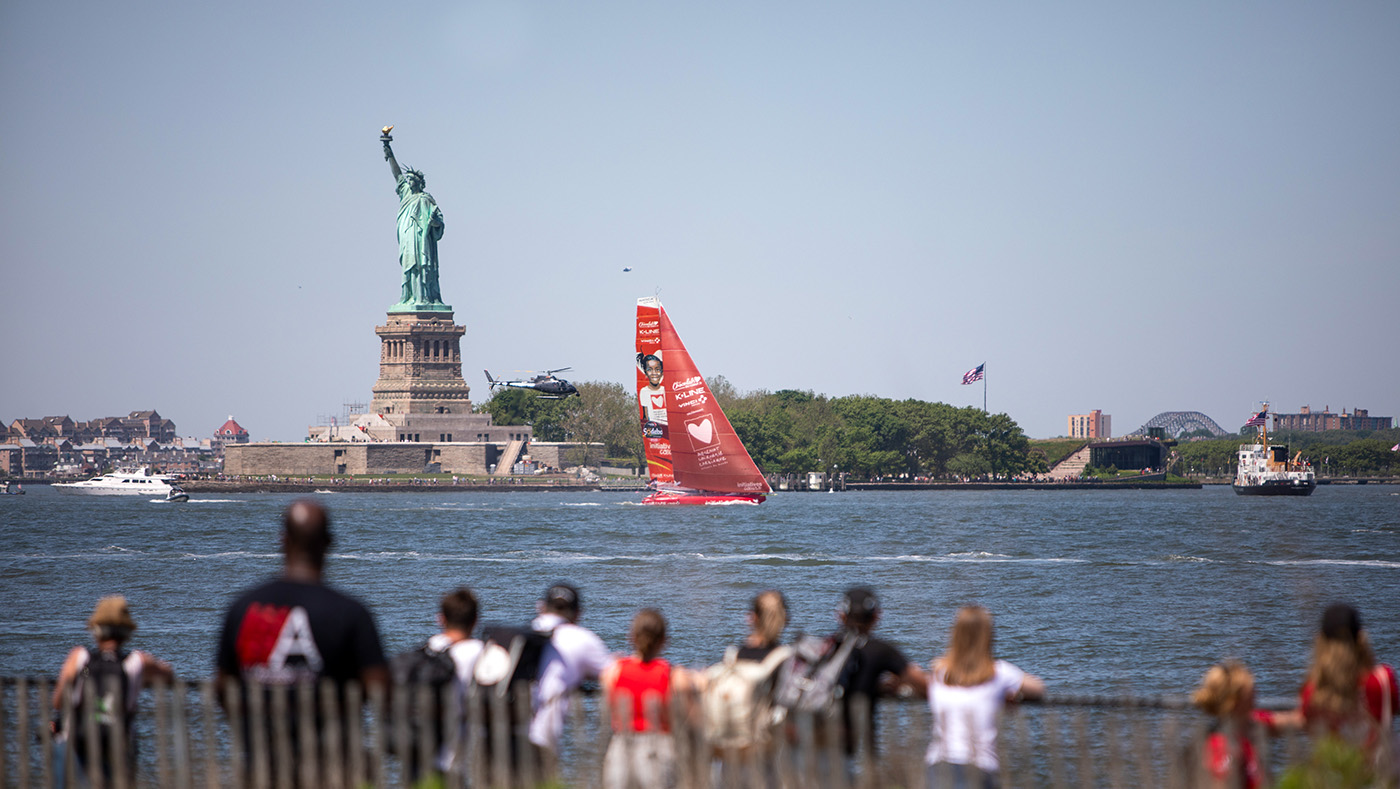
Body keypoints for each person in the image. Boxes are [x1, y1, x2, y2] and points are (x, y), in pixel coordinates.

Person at [216, 499, 388, 781]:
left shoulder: (243, 608)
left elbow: (224, 686)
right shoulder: (350, 612)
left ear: (282, 540)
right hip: (329, 766)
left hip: (262, 763)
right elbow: (378, 686)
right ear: (329, 543)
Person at [52, 596, 174, 785]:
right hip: (118, 745)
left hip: (77, 742)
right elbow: (169, 675)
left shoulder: (79, 657)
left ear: (96, 630)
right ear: (127, 632)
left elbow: (58, 702)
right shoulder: (137, 661)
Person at [924, 605, 1043, 788]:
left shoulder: (939, 672)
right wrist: (1007, 694)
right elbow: (1038, 688)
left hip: (939, 764)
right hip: (980, 765)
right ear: (988, 636)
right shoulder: (999, 673)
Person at [1273, 603, 1398, 755]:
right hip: (1381, 768)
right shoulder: (1383, 680)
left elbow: (1303, 719)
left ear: (1321, 641)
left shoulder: (1314, 692)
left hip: (1335, 769)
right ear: (1361, 640)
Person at [600, 608, 695, 789]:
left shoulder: (613, 672)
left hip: (621, 748)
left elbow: (609, 701)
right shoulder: (675, 676)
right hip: (658, 749)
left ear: (631, 637)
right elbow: (691, 720)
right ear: (664, 640)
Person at [835, 587, 928, 757]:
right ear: (876, 617)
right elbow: (925, 685)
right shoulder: (881, 651)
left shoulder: (825, 647)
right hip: (853, 749)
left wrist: (875, 686)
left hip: (811, 746)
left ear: (841, 616)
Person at [529, 583, 614, 753]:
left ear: (541, 608)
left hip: (497, 737)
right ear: (577, 614)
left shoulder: (522, 632)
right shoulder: (581, 639)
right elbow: (614, 675)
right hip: (540, 742)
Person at [1192, 660, 1264, 789]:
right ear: (1235, 700)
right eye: (1251, 691)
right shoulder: (1222, 747)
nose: (1256, 695)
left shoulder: (1247, 727)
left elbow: (1291, 720)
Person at [638, 353, 668, 428]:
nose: (654, 373)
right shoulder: (644, 391)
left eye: (657, 369)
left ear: (662, 371)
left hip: (668, 428)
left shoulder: (666, 390)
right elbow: (645, 415)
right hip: (654, 429)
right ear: (645, 372)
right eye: (649, 370)